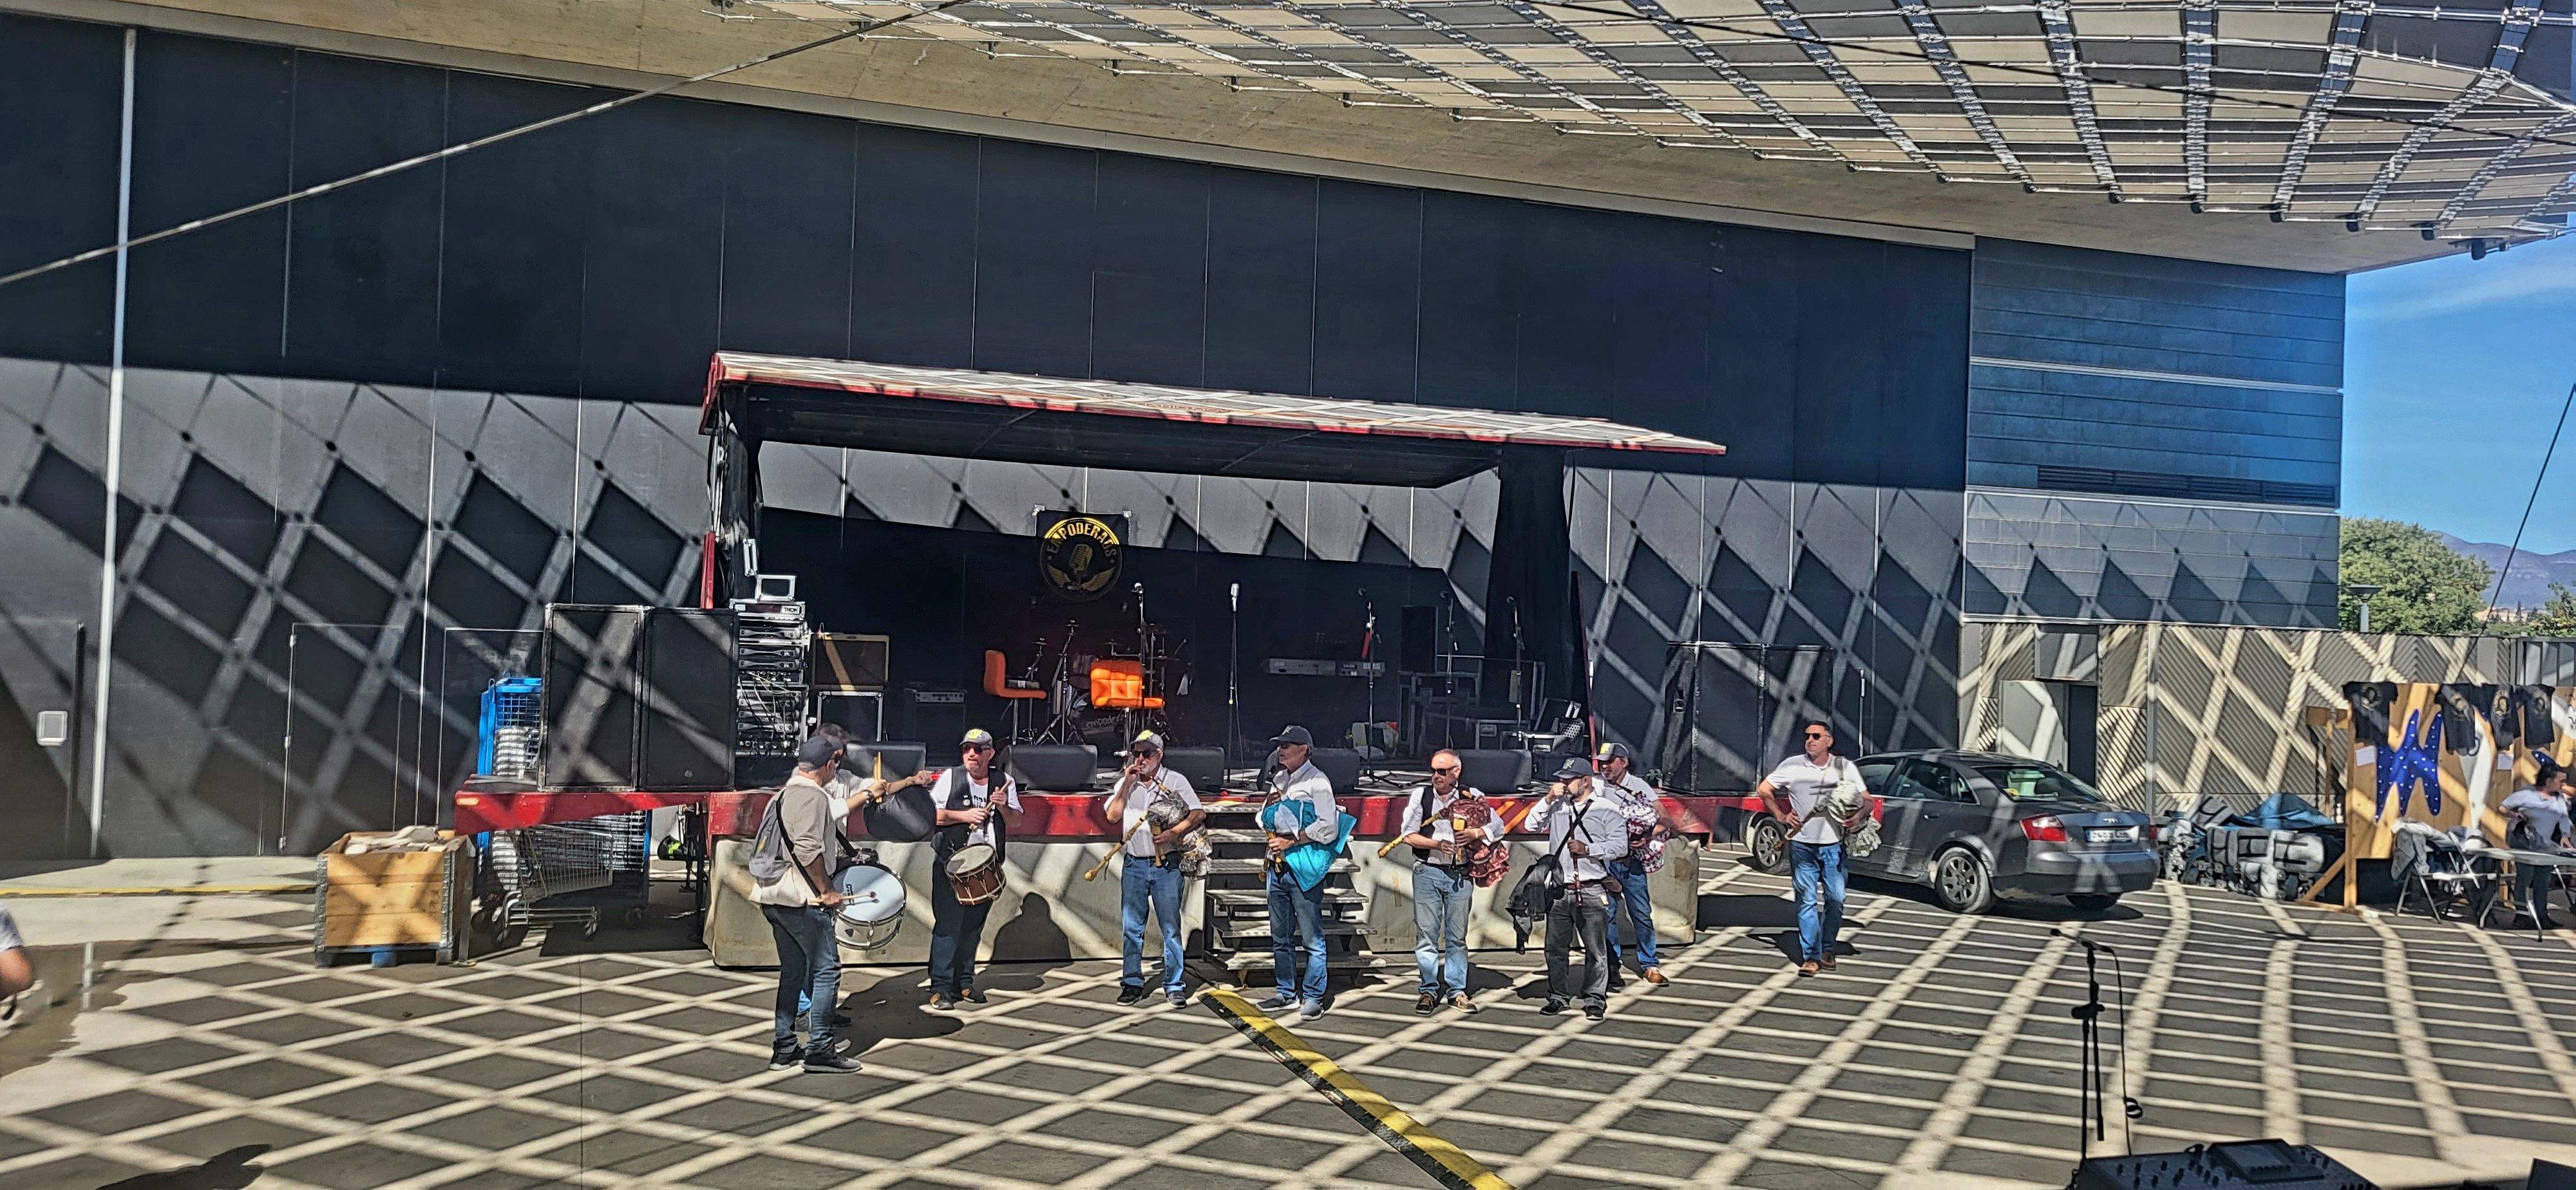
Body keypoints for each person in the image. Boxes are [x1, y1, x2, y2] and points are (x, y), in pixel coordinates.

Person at [747, 735, 863, 1073]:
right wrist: (827, 891)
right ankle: (820, 1050)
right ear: (829, 766)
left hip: (773, 896)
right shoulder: (813, 796)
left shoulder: (781, 794)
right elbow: (808, 850)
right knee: (827, 969)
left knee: (793, 971)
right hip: (802, 899)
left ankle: (784, 1048)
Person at [1756, 720, 1868, 977]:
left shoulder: (1844, 767)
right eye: (1807, 736)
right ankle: (1811, 957)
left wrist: (1858, 815)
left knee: (1836, 899)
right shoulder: (1793, 765)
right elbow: (1764, 789)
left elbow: (1868, 800)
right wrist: (1781, 815)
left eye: (1816, 736)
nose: (1810, 740)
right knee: (1806, 900)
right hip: (1802, 845)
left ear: (1829, 741)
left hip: (1833, 847)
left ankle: (1827, 948)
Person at [1103, 732, 1204, 1007]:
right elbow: (1112, 815)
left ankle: (1174, 984)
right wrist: (1126, 783)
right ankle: (1132, 983)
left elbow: (1198, 813)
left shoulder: (1175, 780)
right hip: (1135, 863)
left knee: (1170, 927)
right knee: (1132, 927)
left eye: (1146, 754)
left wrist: (1175, 832)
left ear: (1159, 755)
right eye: (1136, 754)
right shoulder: (1128, 783)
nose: (1140, 759)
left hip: (1166, 865)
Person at [926, 728, 1023, 1009]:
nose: (972, 755)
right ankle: (940, 987)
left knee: (972, 929)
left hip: (986, 867)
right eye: (967, 749)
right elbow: (932, 815)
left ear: (990, 754)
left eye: (978, 750)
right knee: (948, 927)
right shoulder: (951, 778)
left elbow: (1016, 821)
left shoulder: (1004, 781)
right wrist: (964, 815)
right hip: (952, 866)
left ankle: (964, 983)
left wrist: (1004, 807)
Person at [1526, 759, 1629, 1020]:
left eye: (1568, 779)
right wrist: (1548, 798)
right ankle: (1557, 996)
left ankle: (1595, 998)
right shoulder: (1558, 806)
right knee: (1555, 948)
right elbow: (1531, 825)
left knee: (1596, 949)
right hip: (1561, 888)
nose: (1563, 784)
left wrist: (1589, 850)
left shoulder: (1608, 809)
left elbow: (1620, 847)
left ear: (1585, 780)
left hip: (1592, 888)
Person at [1257, 726, 1340, 1021]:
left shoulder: (1318, 782)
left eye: (1288, 745)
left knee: (1311, 937)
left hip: (1302, 864)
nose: (1281, 750)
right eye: (1279, 745)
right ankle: (1286, 992)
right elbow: (1262, 817)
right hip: (1277, 865)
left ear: (1304, 749)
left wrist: (1294, 839)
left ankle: (1314, 996)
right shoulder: (1278, 779)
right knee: (1280, 935)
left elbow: (1329, 827)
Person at [1397, 748, 1486, 1014]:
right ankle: (1428, 990)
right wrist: (1437, 844)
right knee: (1427, 934)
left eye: (1442, 771)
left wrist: (1474, 832)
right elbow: (1408, 835)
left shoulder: (1473, 796)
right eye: (1433, 770)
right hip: (1428, 871)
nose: (1435, 776)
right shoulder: (1421, 795)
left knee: (1457, 937)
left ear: (1456, 773)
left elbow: (1497, 827)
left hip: (1461, 873)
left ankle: (1457, 991)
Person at [1592, 741, 1671, 989]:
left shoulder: (1639, 787)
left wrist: (1647, 836)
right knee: (1608, 915)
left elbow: (1666, 820)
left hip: (1631, 863)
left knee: (1641, 913)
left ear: (1623, 763)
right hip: (1605, 861)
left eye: (1610, 762)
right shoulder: (1596, 787)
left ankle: (1650, 964)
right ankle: (1612, 968)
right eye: (1602, 763)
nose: (1605, 767)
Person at [2503, 757, 2573, 929]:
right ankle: (2521, 916)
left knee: (2543, 880)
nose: (2563, 785)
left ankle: (2542, 916)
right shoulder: (2527, 795)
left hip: (2545, 844)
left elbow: (2564, 818)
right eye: (2561, 781)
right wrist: (2516, 816)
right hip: (2524, 842)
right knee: (2524, 878)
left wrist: (2565, 836)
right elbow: (2503, 807)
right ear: (2548, 781)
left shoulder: (2559, 799)